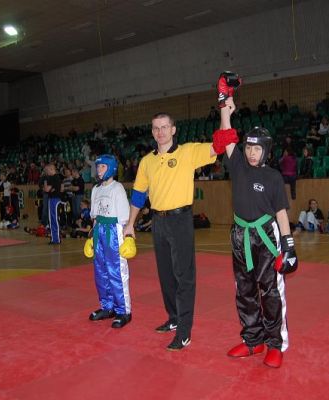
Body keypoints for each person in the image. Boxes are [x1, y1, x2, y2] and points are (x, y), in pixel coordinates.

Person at [215, 74, 297, 369]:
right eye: (248, 147)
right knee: (245, 291)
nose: (251, 152)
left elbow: (281, 213)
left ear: (266, 150)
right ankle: (253, 340)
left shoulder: (273, 177)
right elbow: (226, 135)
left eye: (256, 148)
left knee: (270, 291)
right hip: (240, 235)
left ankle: (275, 343)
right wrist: (224, 104)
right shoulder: (237, 164)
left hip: (265, 236)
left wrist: (289, 246)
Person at [123, 110, 218, 351]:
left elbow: (218, 145)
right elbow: (138, 194)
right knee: (166, 275)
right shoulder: (147, 161)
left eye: (165, 127)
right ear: (152, 131)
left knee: (184, 276)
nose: (160, 132)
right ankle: (174, 318)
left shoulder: (188, 152)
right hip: (158, 221)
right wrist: (130, 223)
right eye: (156, 128)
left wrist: (225, 113)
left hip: (180, 220)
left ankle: (184, 332)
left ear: (173, 130)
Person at [89, 154, 132, 328]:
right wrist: (91, 237)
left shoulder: (117, 188)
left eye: (103, 167)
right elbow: (94, 216)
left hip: (114, 231)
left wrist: (127, 238)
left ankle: (123, 311)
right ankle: (107, 307)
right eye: (98, 167)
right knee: (100, 271)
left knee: (116, 271)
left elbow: (124, 218)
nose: (99, 170)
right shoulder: (95, 189)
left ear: (111, 168)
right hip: (99, 230)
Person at [43, 164, 62, 245]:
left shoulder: (54, 178)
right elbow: (48, 190)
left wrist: (45, 182)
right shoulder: (54, 178)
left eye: (47, 170)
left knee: (54, 219)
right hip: (53, 199)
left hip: (54, 199)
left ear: (51, 169)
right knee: (52, 219)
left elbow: (46, 189)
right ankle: (55, 238)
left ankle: (56, 239)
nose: (46, 172)